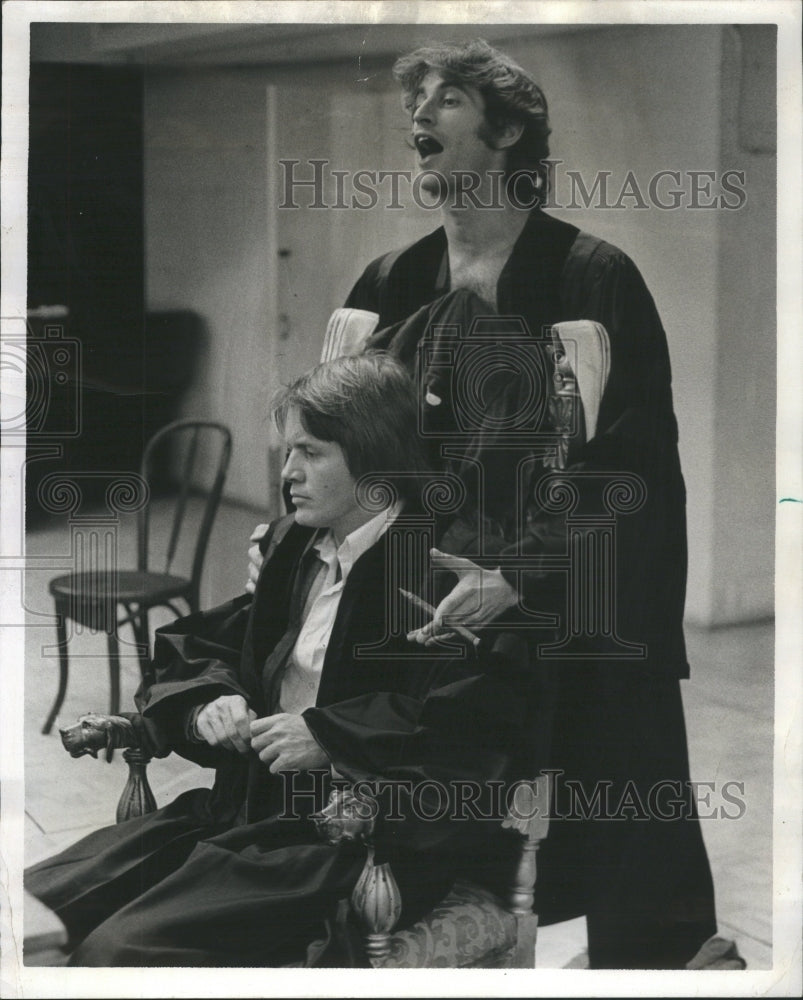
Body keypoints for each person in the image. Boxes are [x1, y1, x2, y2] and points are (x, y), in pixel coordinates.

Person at [247, 39, 741, 970]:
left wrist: (519, 573)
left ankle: (659, 965)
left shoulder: (591, 276)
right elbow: (342, 441)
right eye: (416, 102)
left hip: (566, 590)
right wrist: (293, 534)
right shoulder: (390, 283)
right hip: (424, 596)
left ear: (508, 131)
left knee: (623, 796)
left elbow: (630, 466)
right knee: (420, 798)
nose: (417, 116)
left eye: (445, 101)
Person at [25, 353, 539, 967]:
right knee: (36, 908)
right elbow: (217, 644)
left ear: (375, 461)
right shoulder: (297, 545)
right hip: (242, 811)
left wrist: (330, 738)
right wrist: (211, 702)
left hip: (349, 844)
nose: (287, 472)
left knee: (119, 951)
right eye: (287, 451)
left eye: (311, 452)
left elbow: (473, 736)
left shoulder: (449, 570)